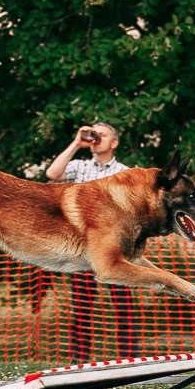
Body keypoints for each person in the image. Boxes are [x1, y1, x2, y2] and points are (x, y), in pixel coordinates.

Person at [46, 121, 139, 360]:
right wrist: (77, 142)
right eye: (93, 134)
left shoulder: (125, 173)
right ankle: (79, 360)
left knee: (122, 307)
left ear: (114, 143)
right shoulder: (79, 167)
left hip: (113, 249)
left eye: (102, 134)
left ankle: (127, 359)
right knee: (82, 308)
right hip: (82, 249)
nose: (96, 138)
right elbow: (52, 174)